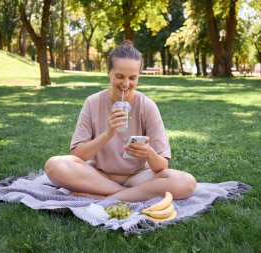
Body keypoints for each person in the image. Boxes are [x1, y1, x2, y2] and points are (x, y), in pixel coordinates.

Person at [45, 41, 196, 202]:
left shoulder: (147, 105)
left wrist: (148, 152)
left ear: (139, 75)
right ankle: (129, 194)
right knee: (54, 165)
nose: (125, 84)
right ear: (108, 71)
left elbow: (161, 167)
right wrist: (107, 134)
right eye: (119, 76)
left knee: (186, 183)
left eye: (132, 78)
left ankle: (106, 197)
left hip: (138, 177)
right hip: (98, 175)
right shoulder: (93, 102)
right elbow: (77, 155)